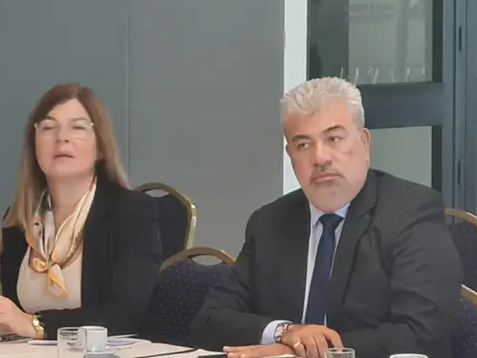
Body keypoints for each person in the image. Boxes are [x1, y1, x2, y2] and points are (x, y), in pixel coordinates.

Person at [191, 77, 461, 358]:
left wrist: (299, 352)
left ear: (364, 142)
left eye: (333, 139)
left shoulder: (411, 212)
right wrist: (286, 332)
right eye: (303, 145)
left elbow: (420, 334)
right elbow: (209, 320)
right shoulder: (269, 222)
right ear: (290, 155)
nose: (320, 158)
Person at [0, 83, 162, 340]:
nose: (62, 138)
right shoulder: (19, 219)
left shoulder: (132, 212)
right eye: (48, 127)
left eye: (78, 127)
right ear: (34, 145)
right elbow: (15, 315)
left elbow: (125, 315)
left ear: (100, 147)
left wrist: (38, 325)